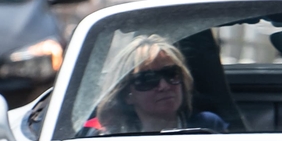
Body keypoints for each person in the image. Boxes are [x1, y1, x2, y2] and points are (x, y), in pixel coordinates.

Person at [83, 33, 222, 134]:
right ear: (127, 95)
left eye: (171, 74)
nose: (164, 86)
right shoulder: (109, 139)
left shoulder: (208, 127)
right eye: (147, 79)